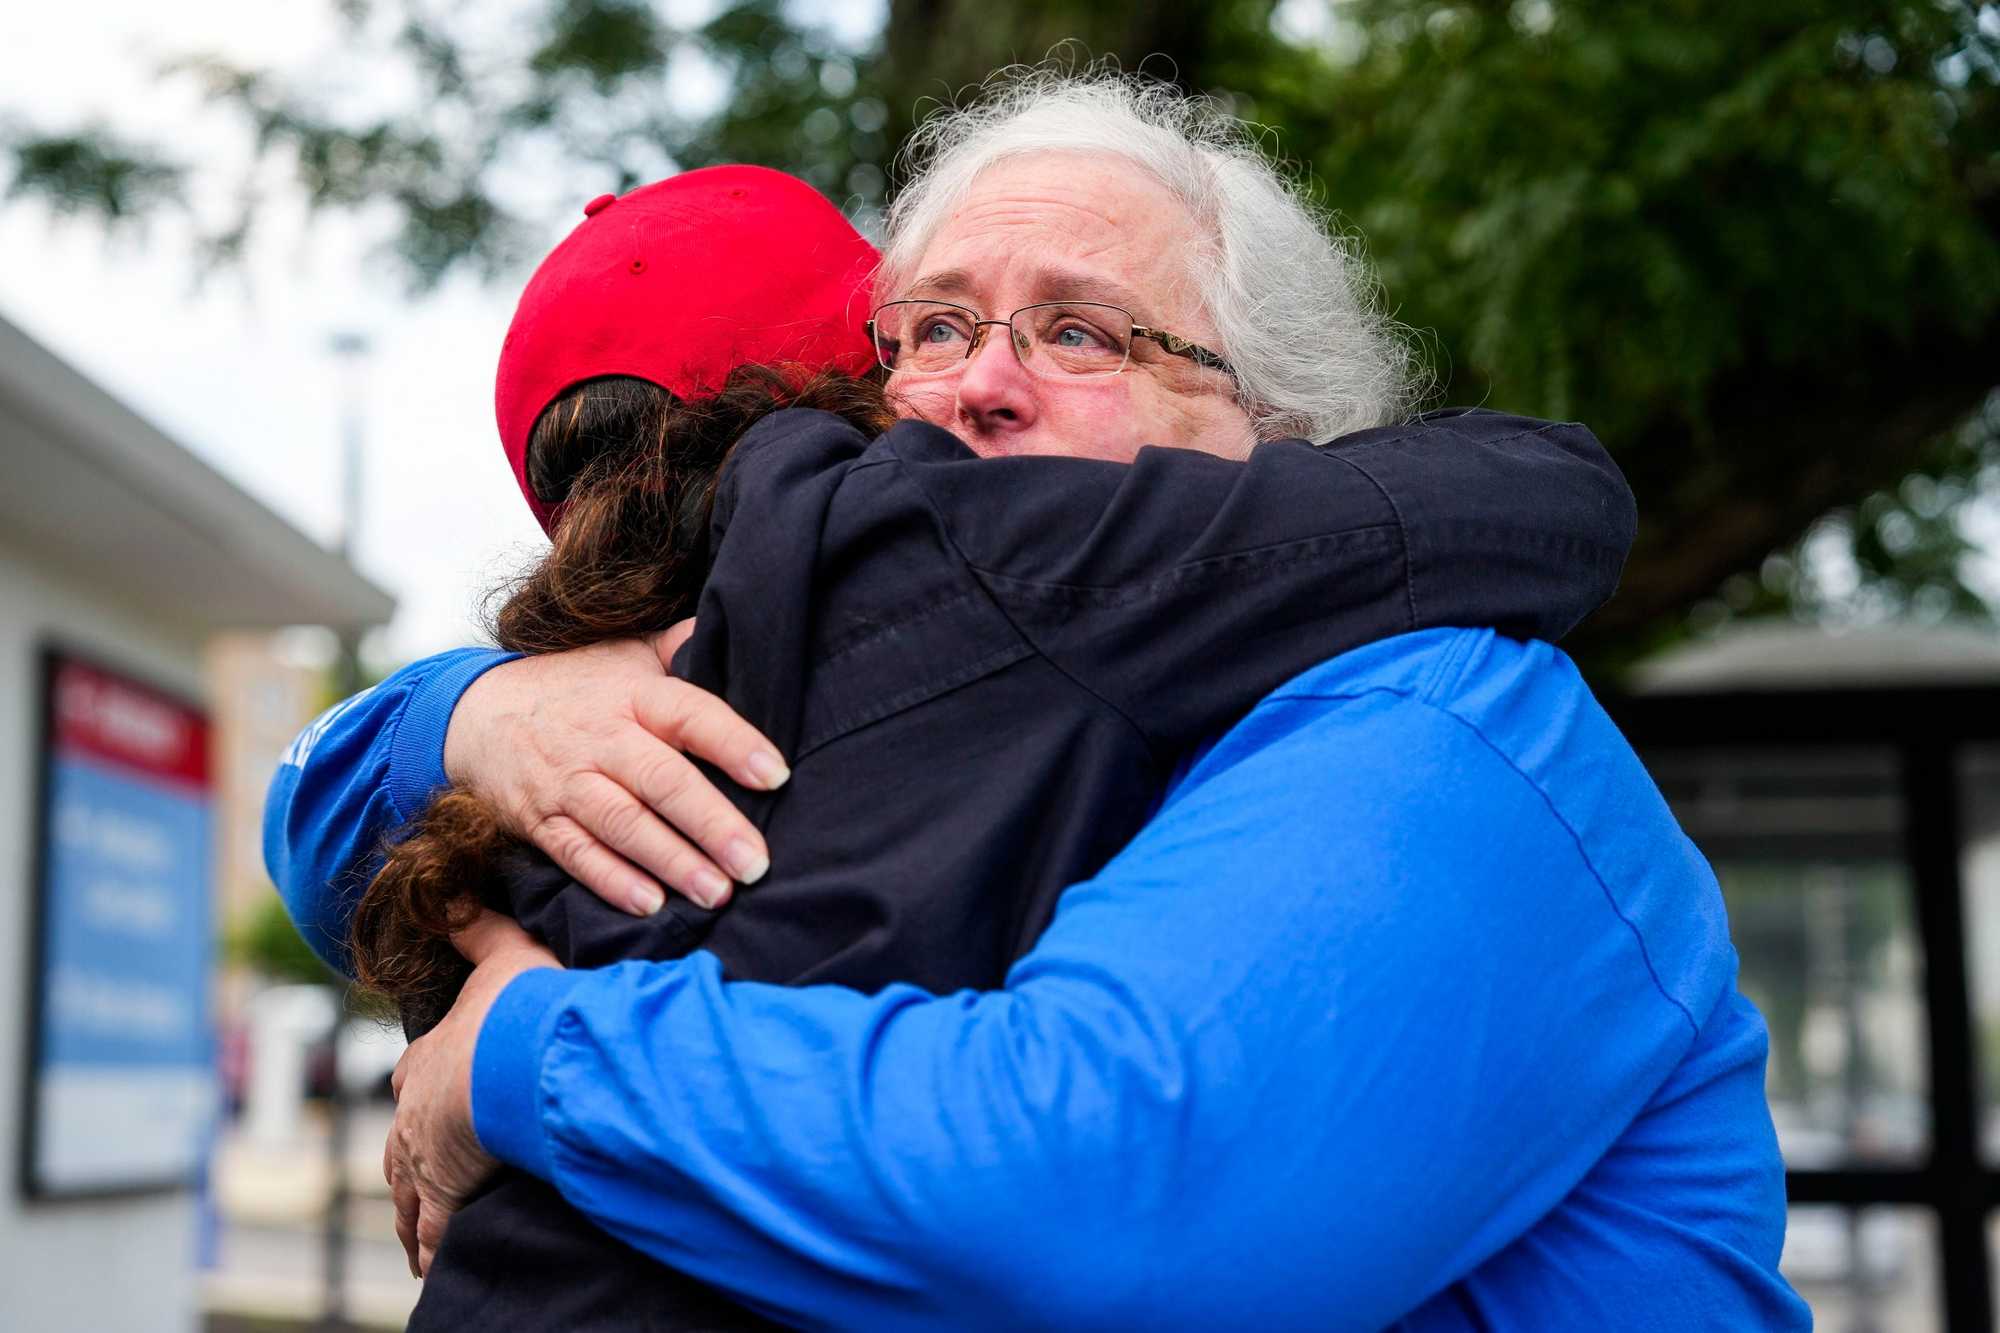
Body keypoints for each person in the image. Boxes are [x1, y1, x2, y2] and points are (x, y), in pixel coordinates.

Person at [272, 70, 1809, 1330]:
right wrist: (471, 718)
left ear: (1283, 437)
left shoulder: (1442, 720)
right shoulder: (959, 720)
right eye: (930, 329)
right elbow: (334, 834)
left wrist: (525, 1050)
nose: (974, 386)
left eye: (1083, 331)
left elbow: (1102, 1206)